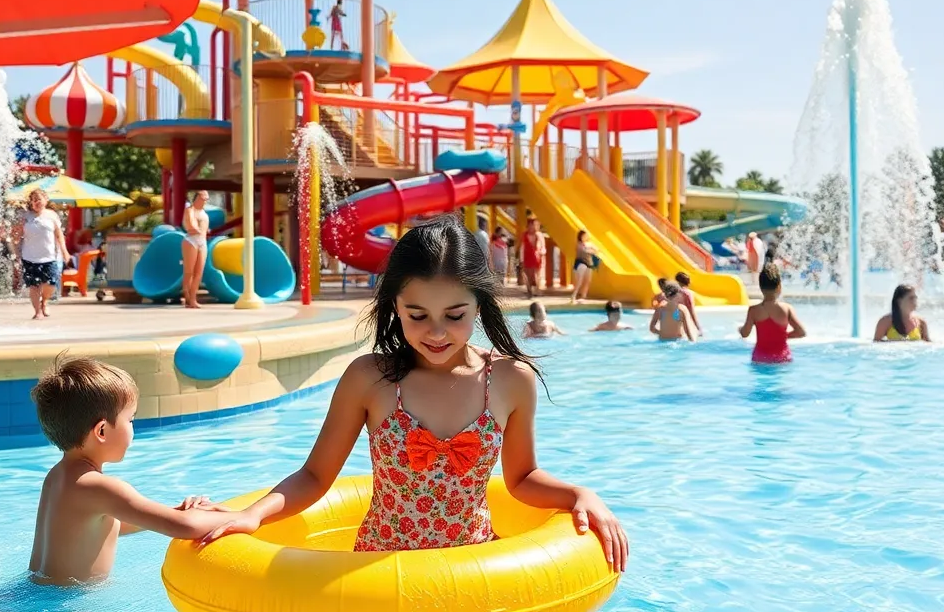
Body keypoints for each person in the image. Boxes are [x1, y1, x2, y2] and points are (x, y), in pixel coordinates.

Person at [197, 215, 628, 572]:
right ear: (395, 307)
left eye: (455, 315)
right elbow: (314, 477)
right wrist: (252, 514)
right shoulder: (372, 379)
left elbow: (521, 478)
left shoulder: (511, 379)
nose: (436, 332)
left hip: (473, 565)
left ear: (479, 305)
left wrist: (579, 495)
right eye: (417, 314)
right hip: (383, 571)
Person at [29, 356, 231, 585]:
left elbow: (99, 526)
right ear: (102, 431)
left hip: (34, 593)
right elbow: (185, 527)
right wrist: (243, 516)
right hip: (63, 611)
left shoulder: (58, 476)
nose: (133, 428)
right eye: (131, 419)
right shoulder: (100, 487)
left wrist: (171, 512)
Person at [14, 189, 70, 320]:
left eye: (39, 199)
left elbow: (59, 235)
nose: (36, 202)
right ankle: (37, 311)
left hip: (49, 256)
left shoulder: (52, 215)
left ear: (46, 200)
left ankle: (44, 301)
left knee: (50, 284)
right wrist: (16, 251)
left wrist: (64, 251)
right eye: (33, 200)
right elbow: (16, 234)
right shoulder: (26, 216)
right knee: (33, 286)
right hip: (29, 257)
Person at [738, 263, 806, 363]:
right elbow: (801, 332)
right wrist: (783, 336)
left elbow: (745, 334)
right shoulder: (787, 309)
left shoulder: (754, 310)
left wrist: (740, 329)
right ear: (779, 287)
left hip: (760, 359)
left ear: (760, 287)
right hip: (782, 359)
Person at [182, 190, 210, 309]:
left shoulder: (204, 213)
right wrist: (198, 230)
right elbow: (190, 226)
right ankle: (188, 298)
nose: (206, 200)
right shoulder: (190, 210)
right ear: (197, 197)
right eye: (203, 197)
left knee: (199, 272)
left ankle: (193, 298)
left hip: (202, 241)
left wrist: (203, 231)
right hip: (191, 240)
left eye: (207, 198)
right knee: (189, 272)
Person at [520, 217, 546, 298]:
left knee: (536, 274)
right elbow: (522, 247)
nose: (532, 227)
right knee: (527, 274)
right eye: (530, 225)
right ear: (528, 226)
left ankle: (537, 290)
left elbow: (543, 247)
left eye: (534, 225)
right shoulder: (524, 235)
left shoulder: (539, 235)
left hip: (536, 257)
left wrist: (542, 252)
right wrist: (521, 259)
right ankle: (529, 291)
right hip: (527, 257)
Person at [673, 271, 703, 336]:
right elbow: (691, 311)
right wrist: (698, 328)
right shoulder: (688, 293)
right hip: (683, 319)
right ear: (688, 282)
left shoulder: (673, 292)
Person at [570, 230, 596, 303]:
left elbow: (596, 250)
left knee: (588, 280)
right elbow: (584, 251)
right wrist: (591, 250)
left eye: (586, 236)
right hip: (581, 262)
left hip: (589, 263)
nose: (585, 237)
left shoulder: (589, 244)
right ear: (580, 237)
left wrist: (592, 250)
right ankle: (574, 295)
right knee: (580, 280)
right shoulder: (579, 244)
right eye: (583, 236)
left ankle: (583, 296)